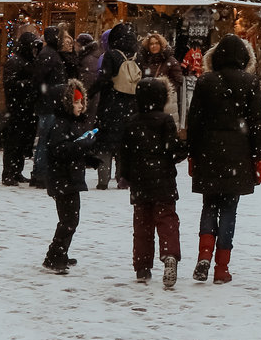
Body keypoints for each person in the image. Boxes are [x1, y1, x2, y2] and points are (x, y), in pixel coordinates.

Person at [186, 34, 261, 283]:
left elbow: (195, 121)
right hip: (238, 153)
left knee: (209, 205)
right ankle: (222, 267)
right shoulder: (250, 82)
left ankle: (204, 254)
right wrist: (259, 156)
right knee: (229, 208)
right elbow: (256, 123)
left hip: (209, 150)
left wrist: (193, 153)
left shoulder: (206, 81)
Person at [121, 78, 187, 287]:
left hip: (140, 182)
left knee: (142, 225)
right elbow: (172, 149)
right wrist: (183, 149)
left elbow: (124, 153)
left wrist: (126, 174)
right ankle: (169, 254)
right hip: (163, 180)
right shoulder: (165, 120)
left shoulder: (131, 122)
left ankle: (142, 266)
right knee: (166, 219)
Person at [41, 80, 99, 273]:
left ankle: (60, 253)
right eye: (76, 102)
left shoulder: (70, 123)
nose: (80, 106)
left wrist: (89, 158)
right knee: (68, 221)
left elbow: (71, 149)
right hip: (63, 180)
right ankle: (54, 256)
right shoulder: (60, 125)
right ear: (65, 103)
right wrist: (83, 145)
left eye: (82, 102)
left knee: (70, 220)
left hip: (69, 179)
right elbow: (61, 151)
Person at [93, 24, 142, 190]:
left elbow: (103, 79)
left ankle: (103, 180)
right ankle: (123, 178)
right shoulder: (137, 56)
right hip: (131, 106)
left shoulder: (111, 55)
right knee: (124, 145)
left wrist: (89, 93)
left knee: (105, 144)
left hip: (111, 105)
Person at [29, 27, 70, 189]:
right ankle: (40, 174)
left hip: (49, 102)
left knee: (46, 140)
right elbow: (39, 80)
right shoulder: (49, 55)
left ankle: (40, 173)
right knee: (46, 140)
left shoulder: (50, 53)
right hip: (49, 104)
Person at [1, 33, 40, 186]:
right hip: (17, 108)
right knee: (13, 143)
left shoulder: (27, 60)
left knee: (21, 142)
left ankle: (16, 171)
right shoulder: (15, 62)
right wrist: (30, 83)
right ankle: (9, 173)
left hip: (25, 108)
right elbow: (10, 84)